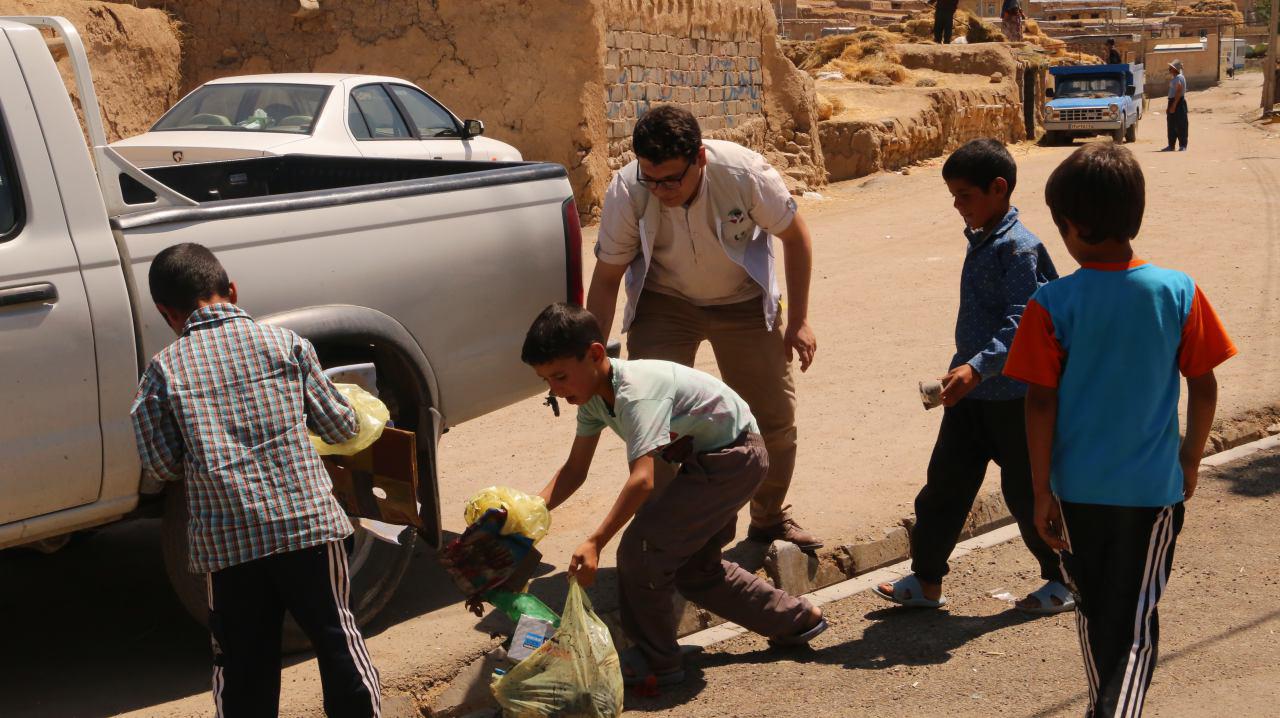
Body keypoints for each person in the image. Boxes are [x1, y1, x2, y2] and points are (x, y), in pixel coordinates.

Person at [1004, 142, 1236, 717]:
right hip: (1151, 494)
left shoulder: (1051, 303)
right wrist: (1190, 458)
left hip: (1075, 491)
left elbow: (1038, 404)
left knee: (1097, 611)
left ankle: (1104, 707)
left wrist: (1039, 492)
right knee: (1134, 621)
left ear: (1071, 226)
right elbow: (1204, 386)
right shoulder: (1178, 292)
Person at [131, 243, 382, 717]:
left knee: (242, 660)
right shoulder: (287, 345)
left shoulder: (162, 372)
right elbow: (340, 428)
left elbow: (160, 466)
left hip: (228, 545)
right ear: (232, 290)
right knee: (335, 636)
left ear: (167, 313)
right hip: (307, 526)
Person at [522, 303, 827, 687]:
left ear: (596, 355)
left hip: (735, 457)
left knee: (640, 550)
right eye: (547, 380)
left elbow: (643, 480)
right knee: (696, 570)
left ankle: (657, 661)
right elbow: (574, 471)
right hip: (708, 462)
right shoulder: (595, 398)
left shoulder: (635, 393)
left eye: (561, 376)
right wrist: (524, 515)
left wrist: (596, 540)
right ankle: (798, 619)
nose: (556, 390)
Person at [587, 105, 822, 550]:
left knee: (772, 417)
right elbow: (605, 278)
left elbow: (796, 237)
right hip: (665, 300)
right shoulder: (628, 189)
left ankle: (768, 518)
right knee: (656, 423)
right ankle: (674, 533)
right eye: (651, 179)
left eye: (672, 179)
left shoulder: (744, 173)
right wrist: (591, 355)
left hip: (742, 300)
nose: (661, 190)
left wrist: (800, 320)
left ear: (699, 158)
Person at [873, 139, 1069, 614]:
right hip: (973, 396)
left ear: (997, 189)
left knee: (1027, 495)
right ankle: (926, 580)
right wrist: (968, 372)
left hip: (1016, 400)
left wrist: (977, 367)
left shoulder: (1018, 248)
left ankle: (1066, 578)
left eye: (965, 195)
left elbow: (1024, 322)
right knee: (944, 486)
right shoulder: (985, 240)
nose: (958, 206)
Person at [1162, 59, 1188, 152]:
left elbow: (1178, 91)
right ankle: (1171, 145)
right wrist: (1169, 106)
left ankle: (1183, 145)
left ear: (1175, 69)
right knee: (1171, 124)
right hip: (1172, 101)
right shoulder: (1175, 78)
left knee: (1181, 124)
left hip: (1178, 102)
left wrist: (1173, 105)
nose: (1169, 69)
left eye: (1171, 67)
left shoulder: (1179, 78)